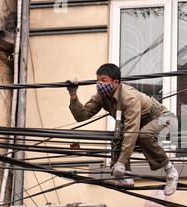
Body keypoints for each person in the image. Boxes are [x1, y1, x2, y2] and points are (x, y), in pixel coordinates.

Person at [66, 63, 178, 196]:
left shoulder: (129, 97)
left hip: (162, 117)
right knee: (118, 136)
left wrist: (121, 162)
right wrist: (73, 94)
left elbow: (132, 130)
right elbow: (81, 115)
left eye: (103, 80)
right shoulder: (101, 96)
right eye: (97, 80)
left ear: (115, 82)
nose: (99, 84)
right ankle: (126, 176)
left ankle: (171, 172)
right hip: (140, 122)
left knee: (143, 135)